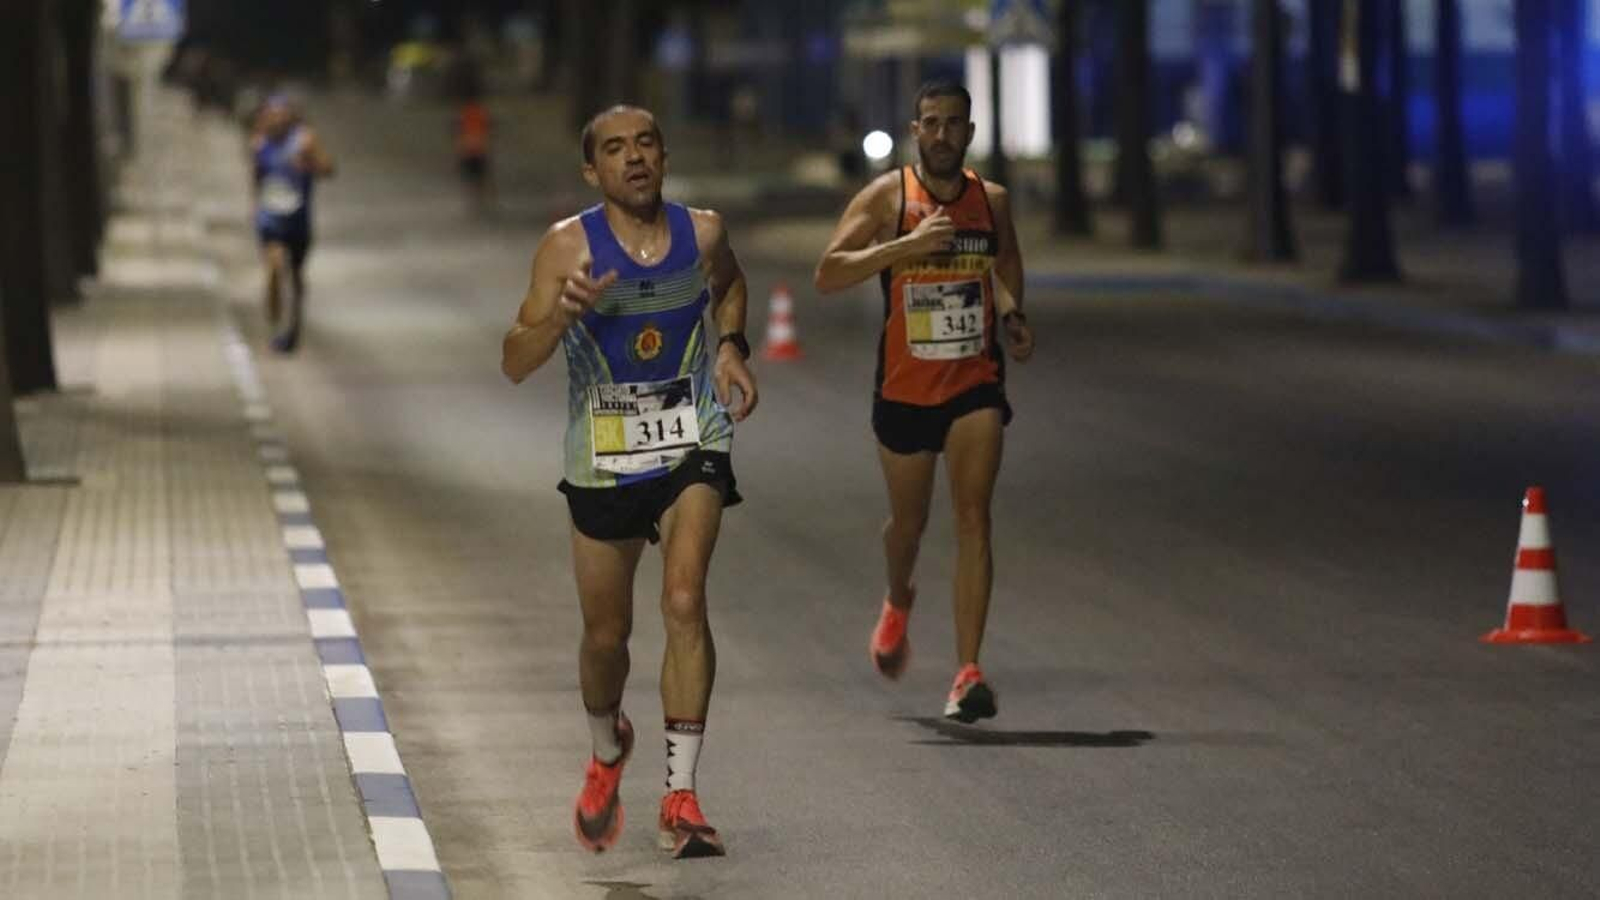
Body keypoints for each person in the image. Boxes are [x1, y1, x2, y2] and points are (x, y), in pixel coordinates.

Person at [500, 105, 758, 858]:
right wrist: (560, 318)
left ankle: (681, 797)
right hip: (602, 459)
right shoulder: (565, 249)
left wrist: (732, 346)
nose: (633, 158)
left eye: (645, 143)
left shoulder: (703, 231)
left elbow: (731, 284)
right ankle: (607, 747)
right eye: (615, 149)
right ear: (593, 171)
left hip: (691, 443)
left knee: (684, 598)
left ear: (664, 155)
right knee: (606, 638)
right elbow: (514, 361)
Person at [813, 80, 1034, 723]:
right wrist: (906, 247)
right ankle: (898, 596)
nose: (941, 134)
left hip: (974, 382)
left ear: (969, 133)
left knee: (975, 518)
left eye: (954, 124)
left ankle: (967, 673)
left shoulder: (990, 201)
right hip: (905, 389)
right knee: (908, 526)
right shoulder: (889, 197)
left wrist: (1014, 313)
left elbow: (1008, 261)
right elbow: (827, 272)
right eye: (930, 123)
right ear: (916, 131)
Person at [251, 93, 335, 353]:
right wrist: (254, 209)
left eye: (281, 114)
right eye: (271, 115)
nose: (276, 119)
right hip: (270, 216)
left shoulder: (304, 140)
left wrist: (310, 162)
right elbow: (256, 179)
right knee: (275, 267)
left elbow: (329, 169)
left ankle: (294, 327)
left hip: (298, 218)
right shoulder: (259, 144)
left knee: (297, 276)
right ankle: (275, 324)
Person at [455, 92, 495, 213]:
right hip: (477, 149)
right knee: (479, 179)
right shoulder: (480, 113)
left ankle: (475, 202)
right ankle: (479, 202)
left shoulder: (466, 114)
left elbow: (460, 132)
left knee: (472, 179)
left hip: (470, 150)